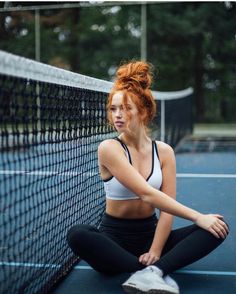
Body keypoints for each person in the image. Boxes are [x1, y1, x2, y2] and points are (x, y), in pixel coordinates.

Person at [67, 61, 229, 294]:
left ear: (143, 111)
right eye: (113, 109)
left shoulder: (164, 152)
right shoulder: (109, 148)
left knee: (216, 227)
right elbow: (146, 193)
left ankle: (153, 272)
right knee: (78, 234)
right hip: (113, 243)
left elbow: (167, 209)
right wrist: (197, 216)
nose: (117, 115)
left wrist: (155, 250)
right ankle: (152, 271)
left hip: (152, 236)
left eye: (125, 108)